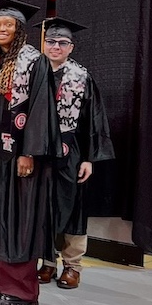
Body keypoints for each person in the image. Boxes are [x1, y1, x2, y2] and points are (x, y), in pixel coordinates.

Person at [0, 0, 59, 305]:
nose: (1, 29)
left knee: (21, 219)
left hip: (23, 156)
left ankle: (21, 289)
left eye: (8, 24)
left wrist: (29, 152)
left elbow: (41, 110)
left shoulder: (35, 62)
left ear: (20, 30)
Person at [36, 17, 114, 290]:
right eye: (51, 41)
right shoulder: (34, 72)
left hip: (71, 152)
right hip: (40, 150)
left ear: (71, 47)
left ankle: (72, 266)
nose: (55, 46)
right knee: (42, 207)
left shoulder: (81, 77)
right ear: (44, 44)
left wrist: (89, 159)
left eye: (62, 42)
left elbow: (93, 120)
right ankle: (47, 261)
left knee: (72, 208)